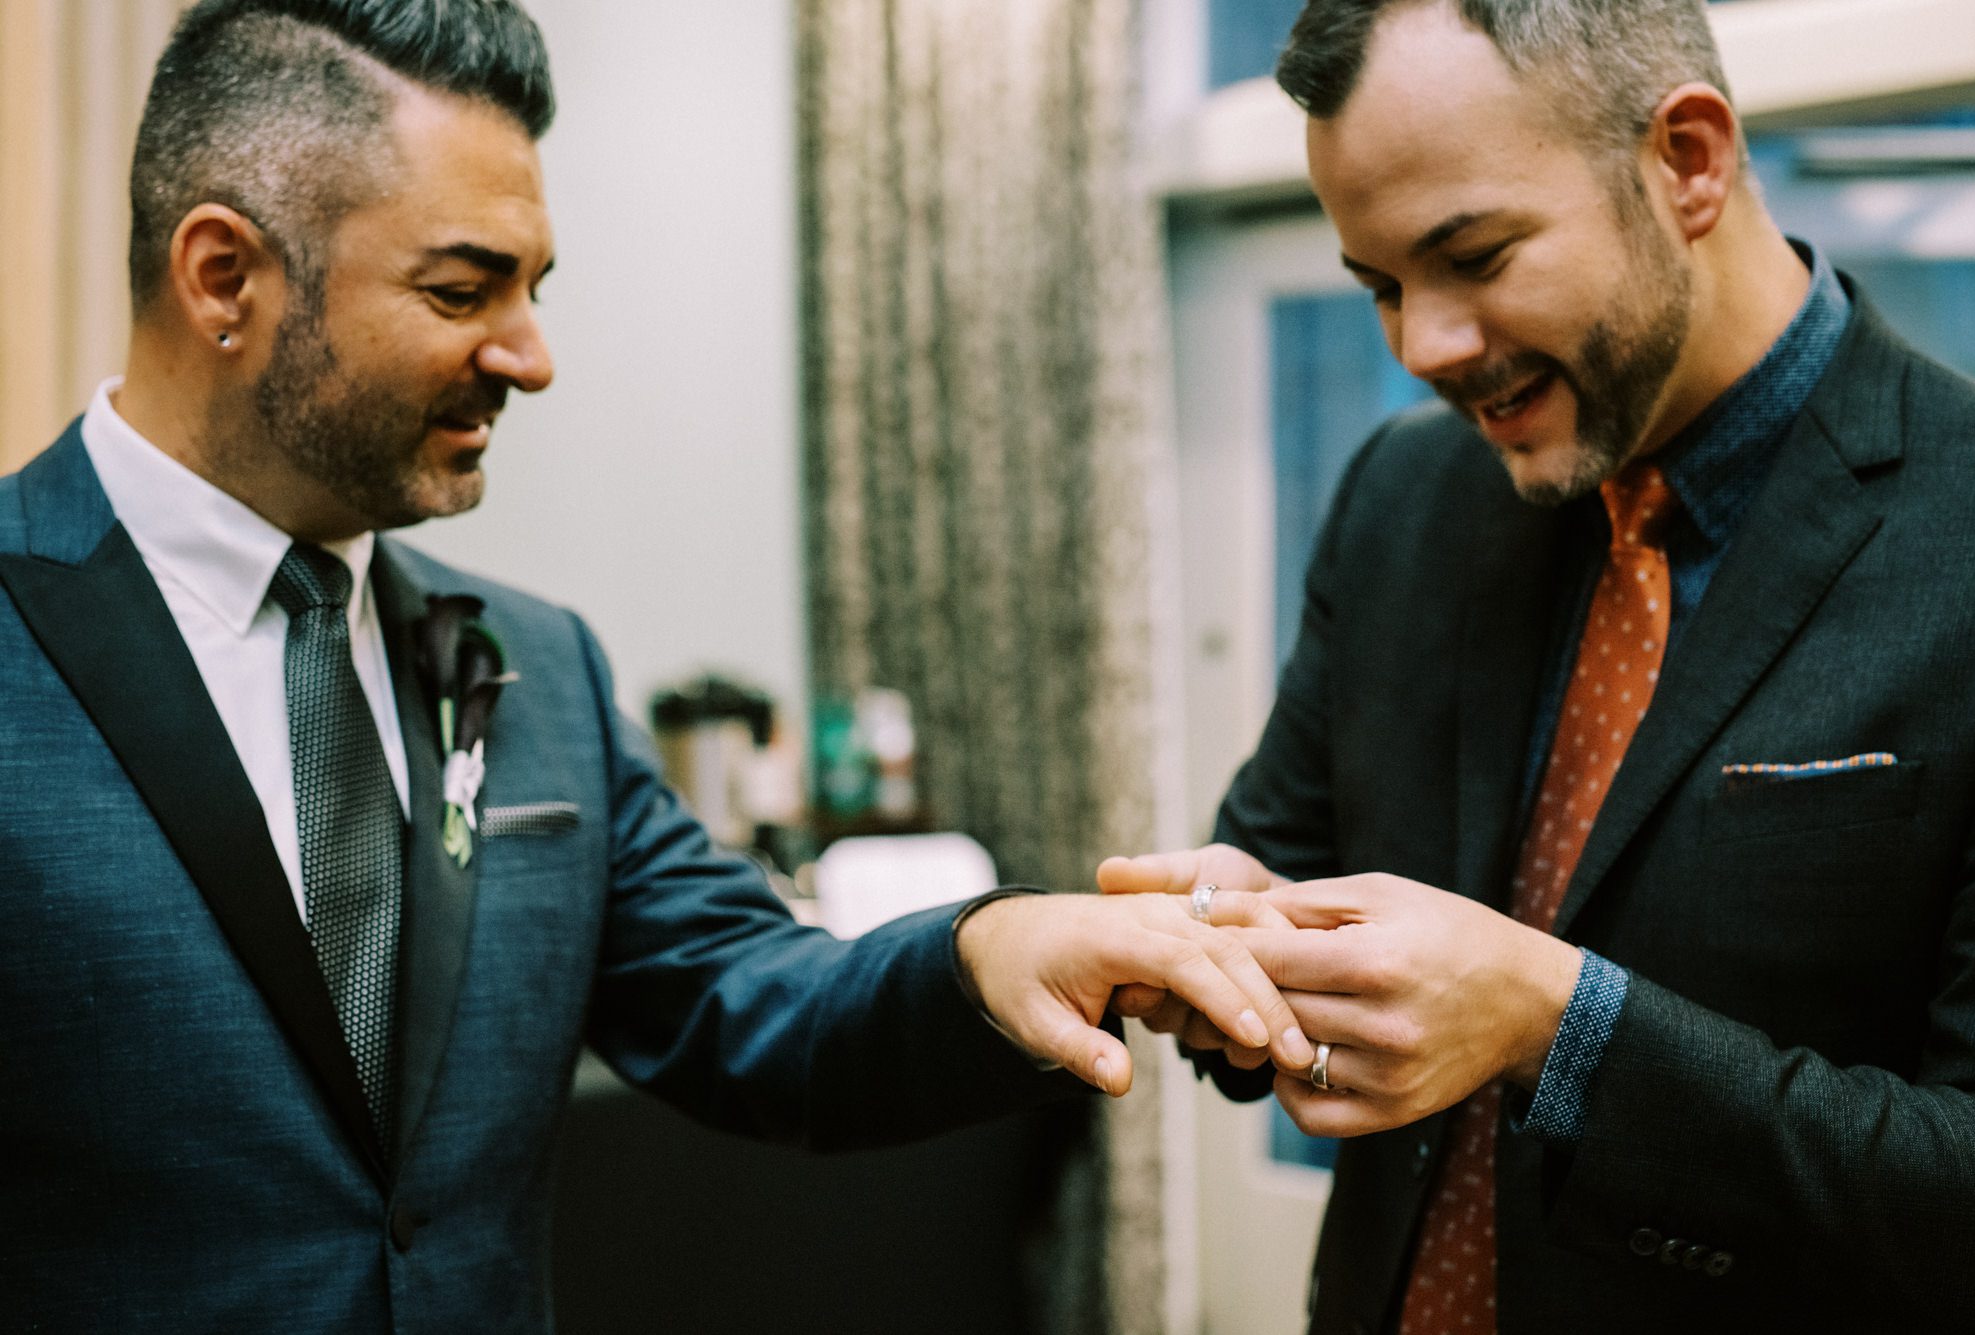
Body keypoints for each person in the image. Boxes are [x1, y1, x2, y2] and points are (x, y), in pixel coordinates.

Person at [0, 1, 1314, 1329]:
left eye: (533, 289)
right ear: (224, 277)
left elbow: (746, 994)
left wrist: (1000, 947)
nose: (531, 357)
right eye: (463, 290)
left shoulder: (538, 667)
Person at [1104, 0, 1975, 1331]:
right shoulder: (1403, 497)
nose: (1424, 347)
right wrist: (1236, 941)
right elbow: (1281, 859)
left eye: (1473, 254)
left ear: (1688, 162)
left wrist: (1553, 1022)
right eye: (1382, 286)